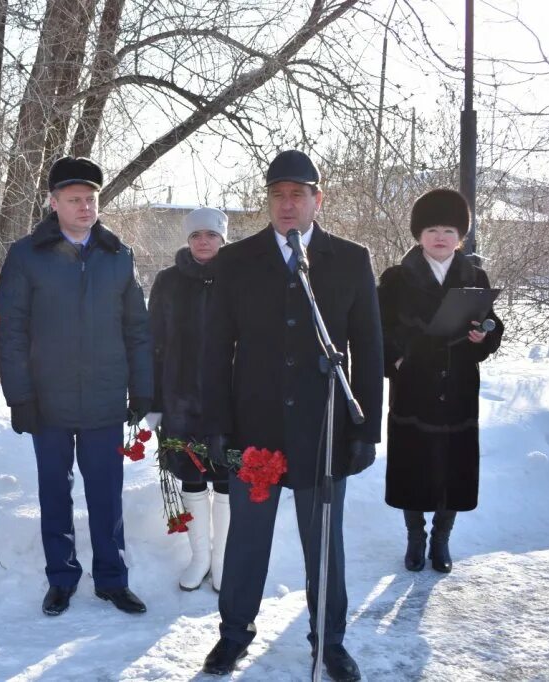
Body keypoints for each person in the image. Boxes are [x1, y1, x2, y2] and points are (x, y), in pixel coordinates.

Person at [202, 150, 383, 681]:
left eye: (297, 194)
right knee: (247, 539)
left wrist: (365, 429)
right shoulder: (236, 260)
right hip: (254, 429)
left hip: (322, 429)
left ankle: (330, 641)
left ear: (316, 200)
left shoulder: (351, 259)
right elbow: (216, 350)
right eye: (278, 194)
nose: (287, 204)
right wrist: (216, 425)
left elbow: (369, 351)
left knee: (325, 542)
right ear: (268, 200)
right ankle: (234, 634)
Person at [0, 156, 153, 617]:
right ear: (53, 202)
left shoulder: (118, 255)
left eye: (91, 199)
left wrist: (142, 389)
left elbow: (138, 329)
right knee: (54, 493)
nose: (85, 208)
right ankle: (61, 578)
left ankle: (112, 579)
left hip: (106, 398)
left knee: (107, 494)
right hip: (49, 401)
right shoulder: (27, 255)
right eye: (74, 200)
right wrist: (20, 397)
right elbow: (11, 332)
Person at [378, 188, 503, 574]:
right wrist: (396, 359)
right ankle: (416, 538)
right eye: (431, 228)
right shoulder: (397, 278)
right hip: (414, 388)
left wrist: (486, 333)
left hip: (459, 388)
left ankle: (442, 539)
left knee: (454, 468)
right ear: (418, 234)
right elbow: (375, 330)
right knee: (413, 467)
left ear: (460, 236)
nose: (440, 237)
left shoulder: (474, 275)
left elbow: (492, 323)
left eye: (449, 229)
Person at [146, 207, 233, 592]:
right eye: (197, 235)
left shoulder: (240, 280)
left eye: (211, 235)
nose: (203, 241)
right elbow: (153, 343)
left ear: (222, 240)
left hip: (229, 400)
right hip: (180, 400)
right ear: (188, 239)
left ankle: (223, 559)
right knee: (192, 477)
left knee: (228, 479)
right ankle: (199, 558)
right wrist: (152, 399)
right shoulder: (168, 281)